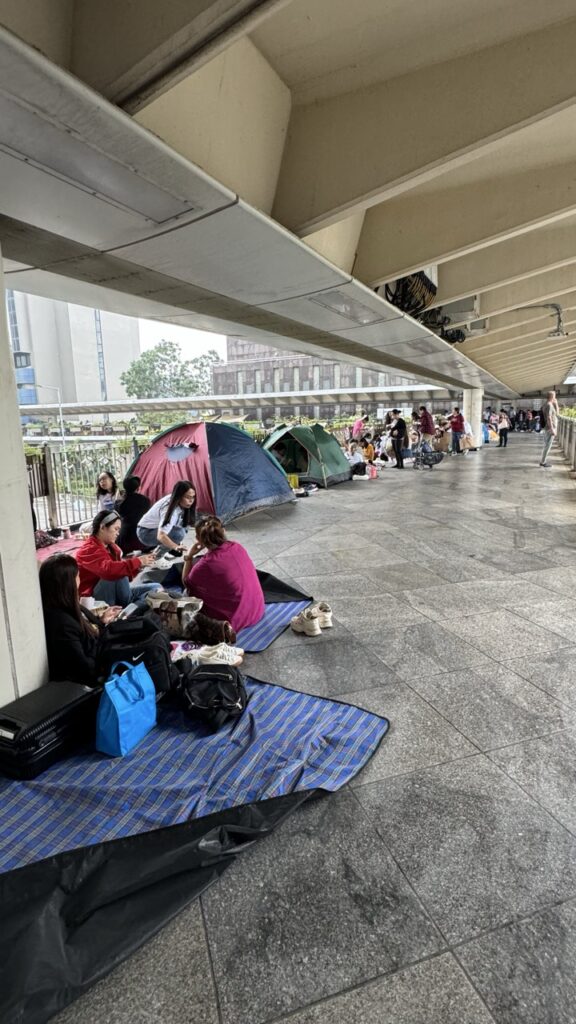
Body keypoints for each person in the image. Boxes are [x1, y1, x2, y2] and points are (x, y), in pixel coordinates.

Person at [39, 553, 120, 684]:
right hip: (93, 681)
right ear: (68, 583)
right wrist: (102, 637)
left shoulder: (63, 605)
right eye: (77, 576)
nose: (79, 579)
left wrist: (101, 621)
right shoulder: (61, 623)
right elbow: (85, 669)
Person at [182, 516, 265, 633]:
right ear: (224, 531)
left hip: (234, 621)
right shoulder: (237, 546)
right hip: (257, 609)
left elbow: (186, 582)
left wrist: (189, 557)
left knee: (186, 594)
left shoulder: (206, 564)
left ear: (198, 539)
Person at [76, 510, 161, 607]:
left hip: (116, 594)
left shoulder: (112, 548)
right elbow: (109, 571)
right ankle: (132, 608)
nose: (118, 533)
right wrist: (137, 561)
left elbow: (123, 580)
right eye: (116, 529)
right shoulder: (87, 550)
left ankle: (133, 607)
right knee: (114, 573)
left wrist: (139, 566)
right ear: (102, 527)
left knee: (156, 588)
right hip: (94, 600)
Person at [137, 480, 196, 554]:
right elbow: (161, 536)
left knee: (186, 524)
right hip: (145, 533)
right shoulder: (170, 510)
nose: (191, 500)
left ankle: (168, 547)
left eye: (193, 497)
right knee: (179, 534)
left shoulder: (175, 499)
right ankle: (157, 555)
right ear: (179, 496)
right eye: (187, 497)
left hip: (153, 529)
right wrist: (175, 546)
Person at [115, 475, 152, 554]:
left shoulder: (119, 502)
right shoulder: (145, 501)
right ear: (138, 488)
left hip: (123, 539)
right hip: (140, 538)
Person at [540, 390, 559, 467]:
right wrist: (552, 429)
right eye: (554, 396)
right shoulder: (549, 405)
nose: (555, 397)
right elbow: (549, 418)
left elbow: (557, 413)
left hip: (546, 427)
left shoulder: (546, 404)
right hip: (549, 428)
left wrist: (556, 403)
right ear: (552, 397)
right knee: (548, 445)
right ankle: (543, 462)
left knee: (546, 445)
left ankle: (543, 461)